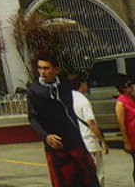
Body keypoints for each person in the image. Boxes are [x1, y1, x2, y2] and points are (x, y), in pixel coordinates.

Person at [26, 52, 98, 187]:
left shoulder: (64, 88)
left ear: (56, 69)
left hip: (75, 141)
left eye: (46, 68)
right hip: (56, 146)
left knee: (88, 179)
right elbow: (33, 118)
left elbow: (70, 113)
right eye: (40, 68)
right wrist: (46, 136)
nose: (42, 72)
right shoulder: (34, 91)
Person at [69, 73, 109, 187]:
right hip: (90, 142)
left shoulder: (68, 99)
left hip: (77, 143)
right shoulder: (83, 101)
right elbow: (91, 124)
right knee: (97, 174)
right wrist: (102, 141)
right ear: (81, 84)